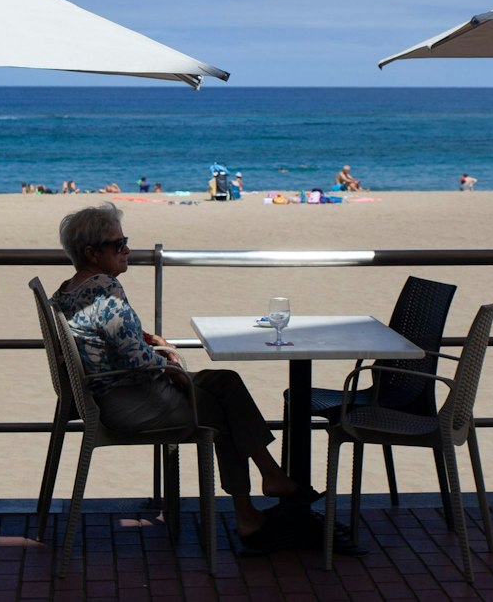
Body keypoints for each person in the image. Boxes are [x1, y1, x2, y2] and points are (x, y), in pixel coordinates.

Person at [49, 204, 310, 548]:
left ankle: (270, 477)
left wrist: (153, 345)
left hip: (111, 393)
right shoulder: (104, 288)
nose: (127, 249)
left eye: (125, 241)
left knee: (225, 381)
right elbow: (140, 362)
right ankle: (251, 510)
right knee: (223, 413)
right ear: (91, 253)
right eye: (118, 244)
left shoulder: (68, 290)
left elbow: (103, 338)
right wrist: (172, 363)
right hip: (133, 401)